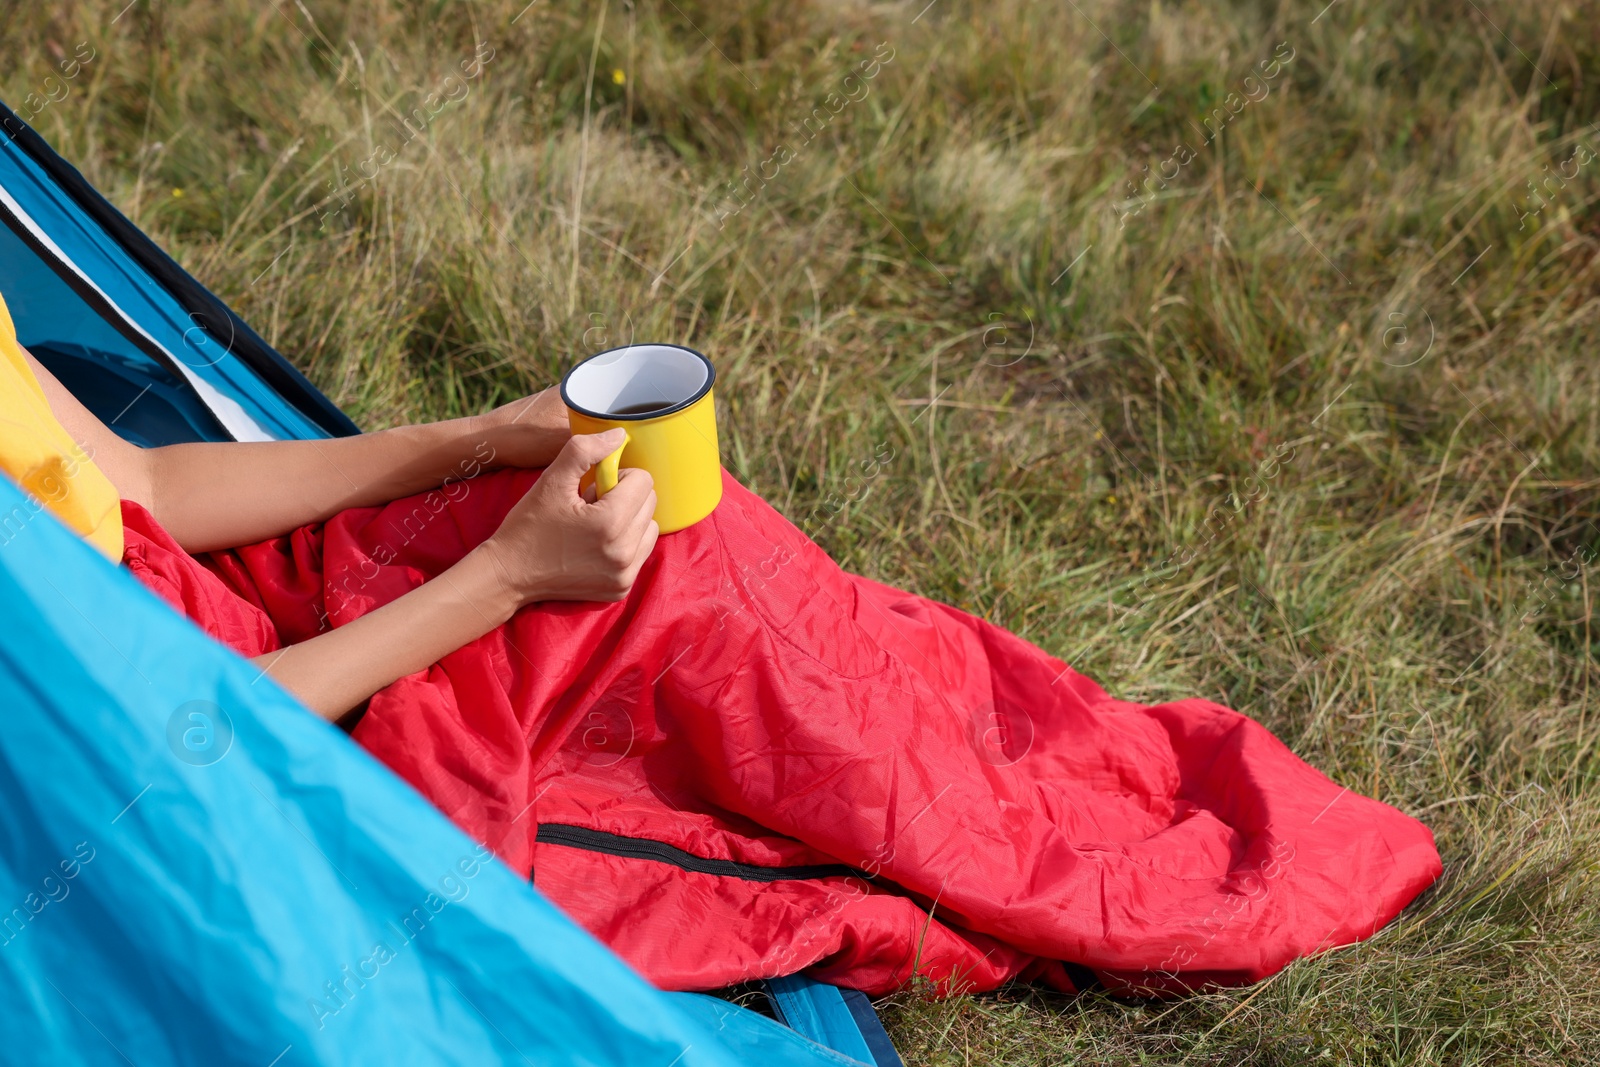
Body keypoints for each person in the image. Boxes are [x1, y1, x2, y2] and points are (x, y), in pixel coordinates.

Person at [0, 289, 1443, 997]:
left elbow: (147, 487)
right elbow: (165, 745)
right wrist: (501, 578)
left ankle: (1065, 781)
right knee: (682, 651)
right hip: (231, 737)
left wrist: (474, 443)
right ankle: (1101, 870)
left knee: (690, 547)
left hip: (247, 596)